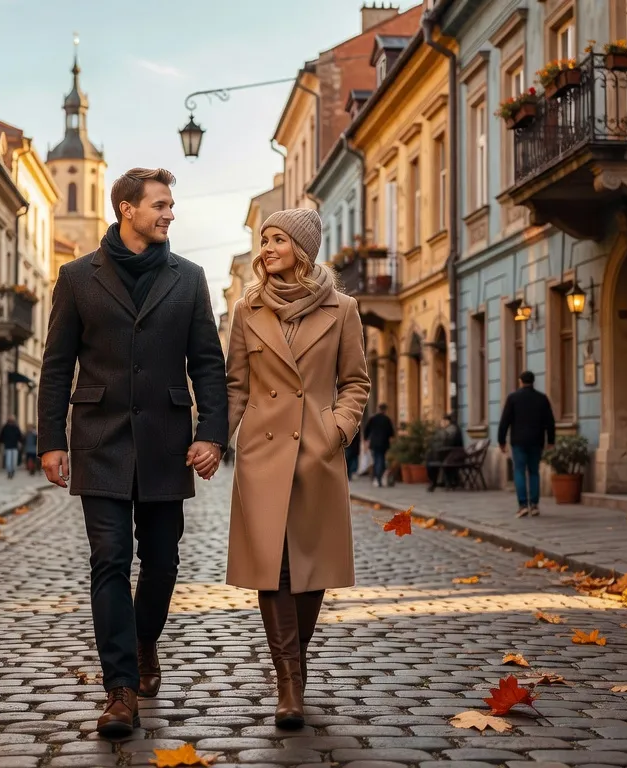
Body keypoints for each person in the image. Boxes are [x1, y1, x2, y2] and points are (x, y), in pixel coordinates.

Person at [38, 167, 227, 738]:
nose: (170, 213)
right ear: (128, 209)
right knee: (110, 560)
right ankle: (119, 689)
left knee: (163, 562)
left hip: (168, 441)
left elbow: (208, 363)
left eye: (171, 205)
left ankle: (145, 640)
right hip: (100, 439)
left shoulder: (189, 278)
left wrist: (211, 432)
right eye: (160, 205)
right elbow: (56, 365)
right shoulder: (77, 277)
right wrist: (52, 441)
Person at [226, 208, 371, 729]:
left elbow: (355, 381)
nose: (266, 248)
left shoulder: (342, 309)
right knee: (274, 565)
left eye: (278, 239)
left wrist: (338, 428)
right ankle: (289, 679)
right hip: (263, 453)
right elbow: (235, 385)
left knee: (312, 568)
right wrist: (213, 440)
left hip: (316, 449)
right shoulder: (247, 308)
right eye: (264, 239)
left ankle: (296, 662)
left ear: (302, 250)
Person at [498, 370, 556, 517]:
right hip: (536, 441)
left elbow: (504, 421)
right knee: (534, 471)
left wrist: (501, 441)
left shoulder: (513, 398)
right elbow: (550, 421)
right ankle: (534, 505)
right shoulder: (542, 398)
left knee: (519, 471)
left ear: (520, 381)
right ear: (533, 382)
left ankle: (523, 505)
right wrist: (551, 440)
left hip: (518, 441)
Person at [425, 414, 464, 492]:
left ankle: (433, 483)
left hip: (452, 455)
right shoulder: (449, 429)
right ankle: (434, 482)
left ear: (447, 421)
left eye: (442, 421)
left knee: (432, 462)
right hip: (448, 454)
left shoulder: (451, 429)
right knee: (431, 460)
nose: (441, 423)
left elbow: (445, 442)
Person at [363, 403, 395, 487]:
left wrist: (366, 440)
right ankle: (378, 477)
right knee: (381, 459)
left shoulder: (373, 418)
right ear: (385, 410)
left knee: (377, 459)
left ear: (378, 409)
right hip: (384, 443)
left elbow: (366, 430)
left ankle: (377, 477)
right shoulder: (387, 419)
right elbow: (391, 432)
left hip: (374, 443)